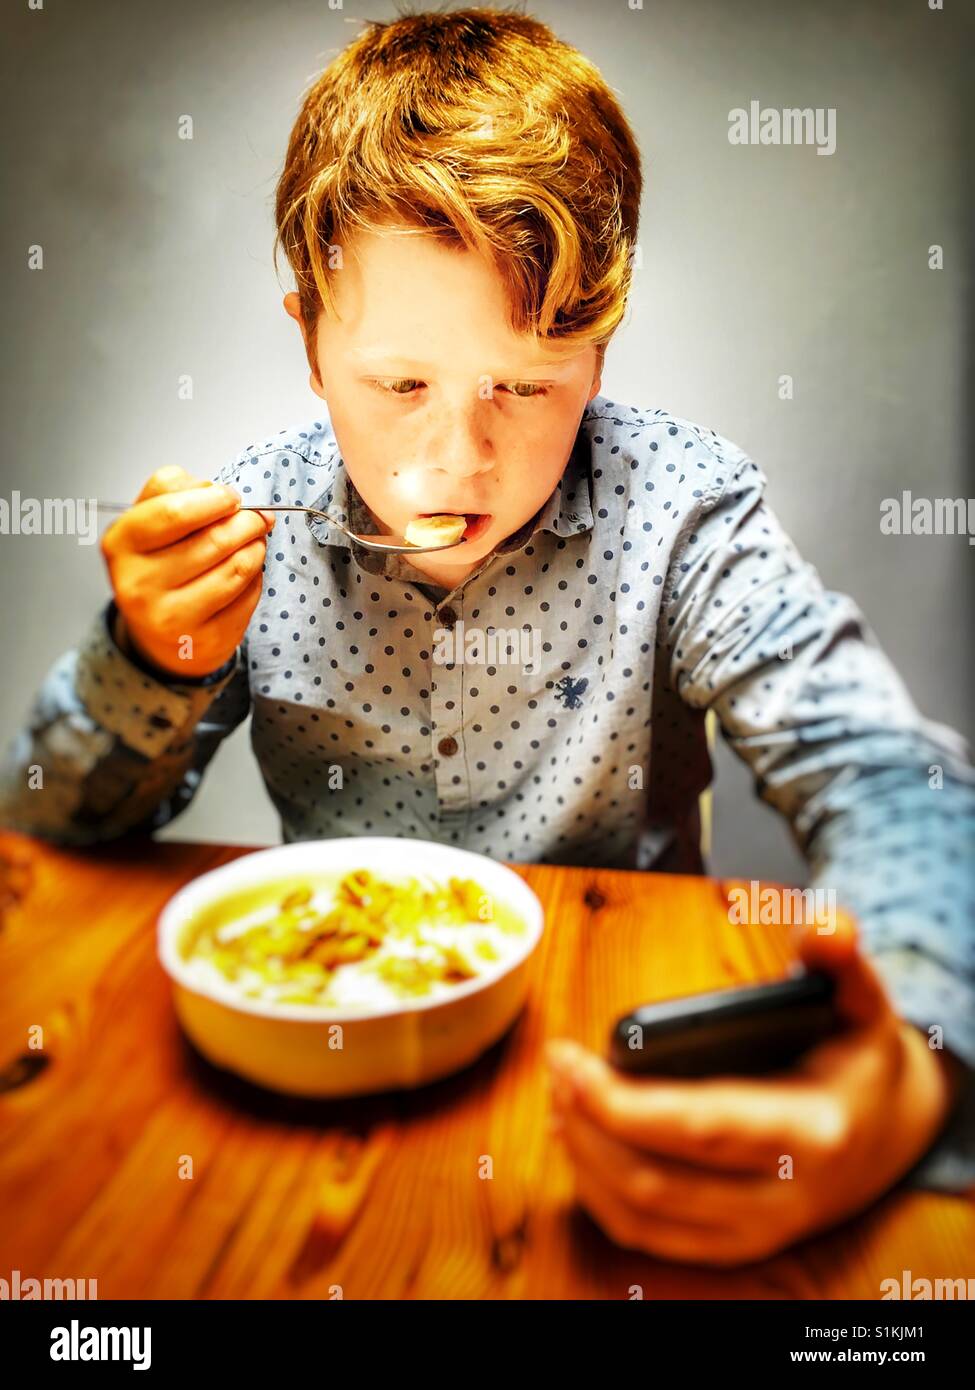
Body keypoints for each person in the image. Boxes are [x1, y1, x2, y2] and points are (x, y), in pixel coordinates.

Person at [1, 7, 972, 1266]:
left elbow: (893, 778)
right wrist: (151, 659)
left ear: (599, 351)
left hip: (616, 1067)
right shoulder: (250, 519)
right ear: (308, 339)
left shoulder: (679, 509)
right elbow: (49, 825)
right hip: (319, 1069)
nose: (451, 464)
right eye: (400, 385)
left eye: (522, 386)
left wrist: (915, 1062)